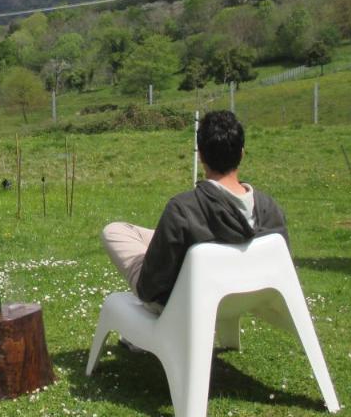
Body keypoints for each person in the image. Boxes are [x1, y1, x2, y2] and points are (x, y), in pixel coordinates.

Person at [101, 110, 288, 312]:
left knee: (114, 231)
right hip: (247, 296)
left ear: (200, 155)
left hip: (187, 301)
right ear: (241, 153)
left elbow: (149, 288)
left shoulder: (183, 210)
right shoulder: (270, 209)